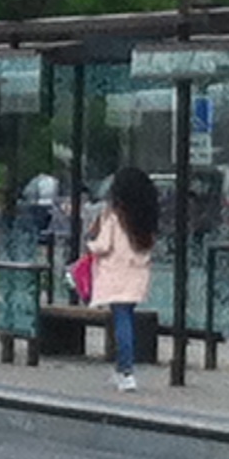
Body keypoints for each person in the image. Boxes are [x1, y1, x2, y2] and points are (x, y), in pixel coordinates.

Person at [86, 165, 159, 392]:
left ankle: (126, 372)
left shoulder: (115, 216)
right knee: (127, 317)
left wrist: (89, 244)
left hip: (116, 273)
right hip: (137, 274)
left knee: (121, 320)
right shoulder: (145, 218)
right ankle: (122, 371)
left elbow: (103, 245)